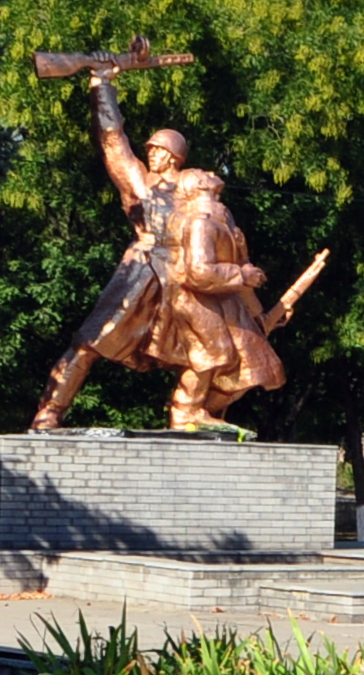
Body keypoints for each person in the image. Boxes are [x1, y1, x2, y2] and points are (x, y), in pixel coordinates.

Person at [28, 68, 192, 429]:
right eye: (150, 149)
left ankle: (191, 415)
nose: (151, 154)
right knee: (90, 340)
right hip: (141, 269)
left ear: (174, 157)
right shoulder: (140, 183)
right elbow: (113, 139)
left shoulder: (194, 193)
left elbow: (221, 243)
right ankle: (50, 411)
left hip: (183, 277)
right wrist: (102, 86)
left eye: (159, 151)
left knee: (209, 352)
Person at [154, 169, 288, 430]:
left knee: (250, 364)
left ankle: (200, 411)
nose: (213, 172)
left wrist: (260, 313)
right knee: (216, 353)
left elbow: (240, 269)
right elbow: (198, 271)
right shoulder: (199, 223)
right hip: (194, 299)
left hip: (223, 300)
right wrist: (242, 274)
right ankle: (184, 413)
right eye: (205, 173)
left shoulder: (224, 222)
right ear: (199, 186)